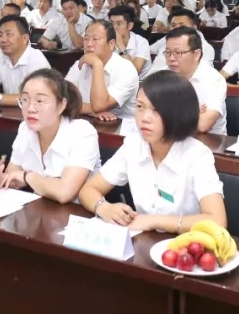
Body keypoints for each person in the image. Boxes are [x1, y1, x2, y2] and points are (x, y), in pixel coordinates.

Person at [78, 71, 227, 233]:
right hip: (142, 242)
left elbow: (217, 221)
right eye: (140, 107)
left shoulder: (197, 155)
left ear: (178, 114)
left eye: (156, 110)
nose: (145, 117)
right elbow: (88, 189)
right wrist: (104, 208)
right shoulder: (134, 145)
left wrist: (153, 221)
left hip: (185, 246)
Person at [0, 69, 100, 203]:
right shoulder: (25, 129)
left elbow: (64, 193)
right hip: (40, 210)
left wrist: (28, 177)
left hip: (76, 216)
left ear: (61, 105)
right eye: (25, 100)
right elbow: (14, 178)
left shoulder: (82, 133)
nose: (30, 108)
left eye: (40, 101)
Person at [64, 21, 139, 122]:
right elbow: (63, 100)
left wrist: (97, 65)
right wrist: (92, 110)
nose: (89, 44)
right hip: (86, 121)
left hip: (120, 127)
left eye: (95, 39)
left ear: (112, 44)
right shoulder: (80, 63)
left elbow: (99, 105)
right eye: (86, 39)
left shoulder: (126, 69)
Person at [0, 15, 50, 107]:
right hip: (10, 114)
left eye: (9, 34)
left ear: (25, 38)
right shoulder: (1, 59)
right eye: (0, 35)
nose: (3, 39)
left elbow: (34, 98)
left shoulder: (36, 59)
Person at [162, 27, 227, 135]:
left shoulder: (214, 80)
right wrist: (190, 114)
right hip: (170, 138)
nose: (171, 58)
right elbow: (149, 114)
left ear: (196, 54)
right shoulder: (163, 74)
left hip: (208, 141)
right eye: (168, 53)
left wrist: (168, 115)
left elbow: (203, 125)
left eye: (178, 53)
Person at [150, 9, 215, 64]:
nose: (177, 29)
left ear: (194, 27)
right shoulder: (166, 45)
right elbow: (155, 69)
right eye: (173, 25)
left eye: (182, 25)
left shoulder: (205, 49)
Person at [108, 5, 150, 78]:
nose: (114, 28)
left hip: (139, 85)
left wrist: (121, 47)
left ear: (130, 26)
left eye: (119, 23)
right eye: (111, 23)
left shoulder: (141, 43)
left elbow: (134, 72)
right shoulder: (107, 41)